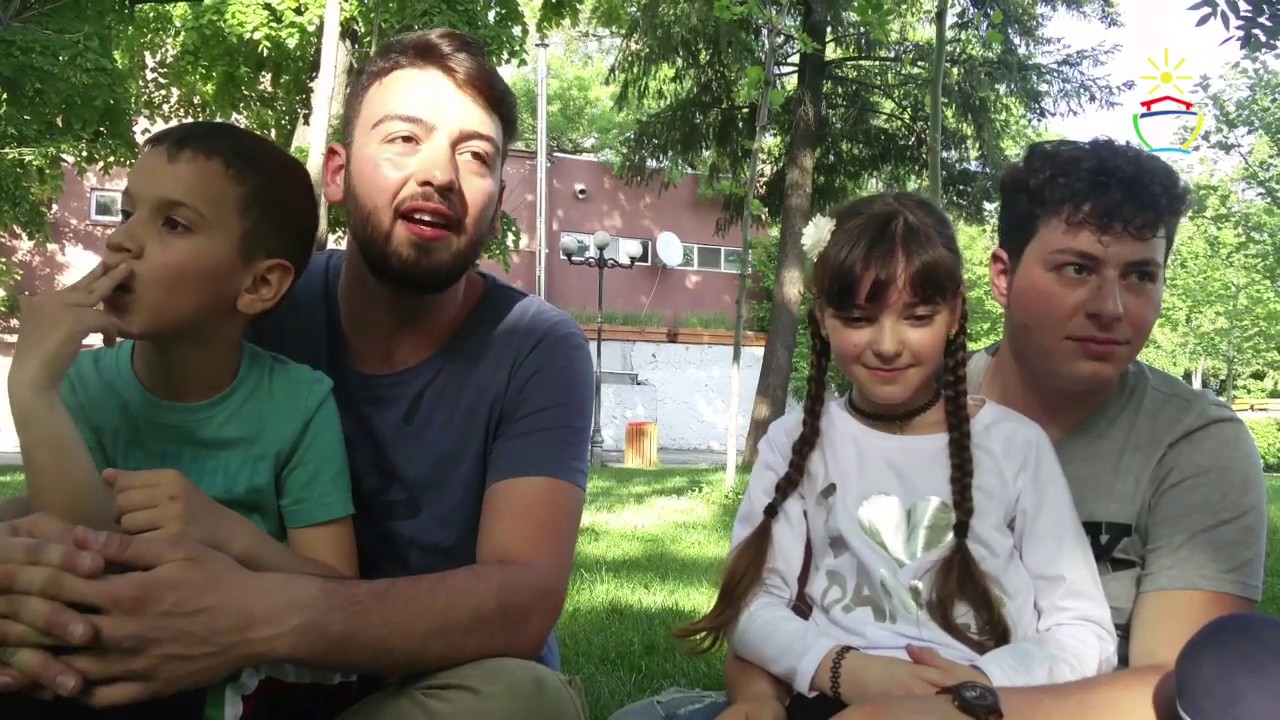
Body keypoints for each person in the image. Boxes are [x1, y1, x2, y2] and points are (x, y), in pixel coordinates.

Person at [0, 26, 594, 720]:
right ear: (336, 173)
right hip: (186, 669)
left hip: (408, 689)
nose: (439, 173)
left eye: (476, 155)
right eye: (405, 138)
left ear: (496, 203)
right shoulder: (240, 301)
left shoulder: (535, 347)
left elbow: (521, 601)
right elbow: (82, 503)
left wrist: (244, 621)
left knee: (523, 700)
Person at [609, 138, 1267, 720]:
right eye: (1077, 268)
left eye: (1141, 274)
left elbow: (1176, 688)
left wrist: (970, 697)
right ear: (1002, 276)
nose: (1109, 307)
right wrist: (819, 677)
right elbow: (761, 603)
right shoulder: (820, 433)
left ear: (951, 314)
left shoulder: (1160, 446)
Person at [672, 192, 1116, 720]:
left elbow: (1084, 631)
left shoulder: (1015, 446)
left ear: (955, 314)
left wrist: (980, 685)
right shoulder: (793, 443)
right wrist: (844, 669)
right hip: (835, 700)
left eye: (918, 317)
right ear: (823, 318)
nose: (887, 344)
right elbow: (751, 604)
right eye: (859, 319)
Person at [4, 120, 359, 720]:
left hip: (234, 681)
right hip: (94, 668)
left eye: (173, 224)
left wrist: (227, 533)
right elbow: (85, 564)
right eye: (128, 213)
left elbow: (339, 596)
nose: (123, 241)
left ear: (259, 284)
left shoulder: (299, 403)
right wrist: (32, 389)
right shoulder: (80, 386)